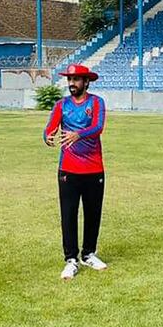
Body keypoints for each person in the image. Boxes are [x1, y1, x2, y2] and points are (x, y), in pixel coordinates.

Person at [43, 64, 108, 280]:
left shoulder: (96, 102)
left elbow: (98, 126)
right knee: (68, 215)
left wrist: (78, 135)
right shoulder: (61, 105)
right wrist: (48, 137)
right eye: (69, 80)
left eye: (76, 79)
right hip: (68, 170)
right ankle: (71, 259)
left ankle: (88, 253)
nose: (72, 83)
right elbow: (49, 128)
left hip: (94, 168)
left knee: (93, 213)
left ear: (86, 82)